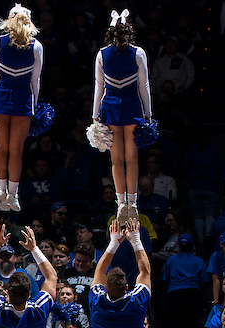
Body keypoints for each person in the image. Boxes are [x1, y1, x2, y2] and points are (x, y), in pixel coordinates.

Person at [93, 10, 151, 223]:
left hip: (113, 107)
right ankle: (129, 203)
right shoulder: (138, 53)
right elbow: (144, 85)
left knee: (118, 159)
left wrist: (95, 116)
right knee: (129, 158)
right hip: (130, 106)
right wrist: (148, 114)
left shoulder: (103, 53)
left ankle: (125, 204)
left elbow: (99, 88)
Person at [0, 4, 44, 212]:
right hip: (22, 99)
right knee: (15, 150)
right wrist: (35, 105)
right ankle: (12, 193)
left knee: (2, 148)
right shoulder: (36, 46)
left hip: (3, 97)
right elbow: (35, 81)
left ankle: (4, 191)